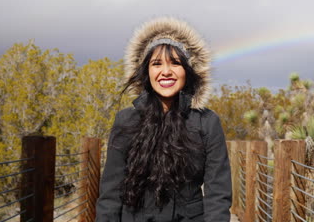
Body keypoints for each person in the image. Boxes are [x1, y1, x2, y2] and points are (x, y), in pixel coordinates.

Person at [96, 17, 232, 222]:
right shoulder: (126, 120)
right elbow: (110, 193)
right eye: (156, 63)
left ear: (187, 70)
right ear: (146, 71)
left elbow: (217, 195)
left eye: (176, 63)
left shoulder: (207, 122)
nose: (166, 72)